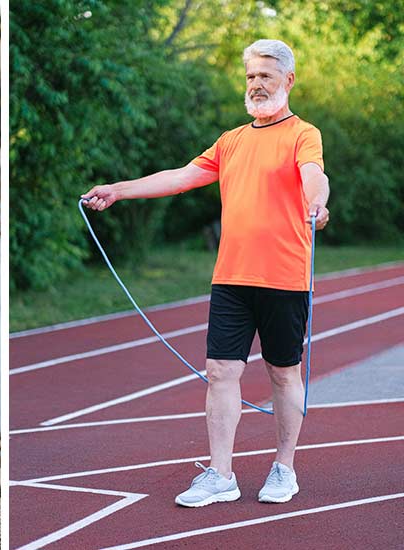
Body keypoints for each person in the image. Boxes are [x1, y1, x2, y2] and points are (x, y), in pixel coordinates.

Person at [82, 39, 329, 507]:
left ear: (288, 81)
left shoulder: (303, 133)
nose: (256, 85)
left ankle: (284, 468)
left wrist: (318, 201)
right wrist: (118, 190)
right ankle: (221, 475)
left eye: (266, 77)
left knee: (283, 374)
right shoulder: (231, 141)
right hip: (232, 279)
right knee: (219, 371)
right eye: (251, 77)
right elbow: (179, 176)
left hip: (285, 278)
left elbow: (314, 172)